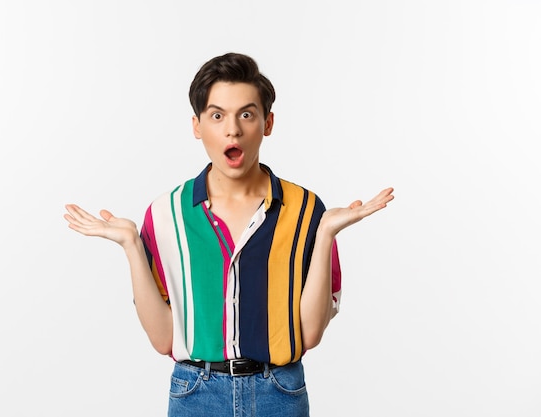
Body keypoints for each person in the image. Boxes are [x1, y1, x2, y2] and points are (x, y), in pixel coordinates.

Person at [63, 52, 394, 417]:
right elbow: (162, 339)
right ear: (197, 125)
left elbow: (310, 334)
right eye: (217, 116)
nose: (232, 129)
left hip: (280, 392)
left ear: (267, 123)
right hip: (195, 395)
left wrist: (327, 232)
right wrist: (130, 244)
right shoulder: (165, 215)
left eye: (246, 114)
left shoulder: (307, 212)